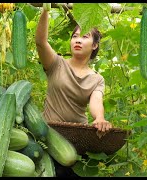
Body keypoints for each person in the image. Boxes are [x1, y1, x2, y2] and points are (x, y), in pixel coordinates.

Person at [35, 5, 112, 177]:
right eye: (75, 36)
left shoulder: (96, 79)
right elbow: (40, 42)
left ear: (95, 45)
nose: (77, 40)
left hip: (77, 141)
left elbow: (96, 101)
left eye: (84, 37)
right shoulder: (56, 64)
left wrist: (99, 118)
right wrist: (46, 9)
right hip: (48, 137)